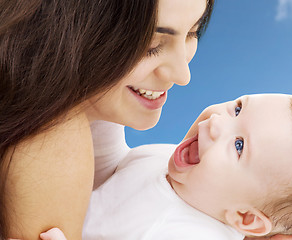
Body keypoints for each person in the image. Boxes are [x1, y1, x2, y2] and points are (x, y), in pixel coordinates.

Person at [0, 0, 214, 239]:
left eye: (193, 32)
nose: (182, 75)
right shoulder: (55, 136)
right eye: (151, 44)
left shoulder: (97, 104)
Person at [42, 94, 292, 240]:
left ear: (246, 218)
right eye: (238, 108)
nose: (216, 123)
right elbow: (108, 168)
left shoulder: (193, 233)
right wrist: (101, 112)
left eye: (239, 146)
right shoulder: (166, 159)